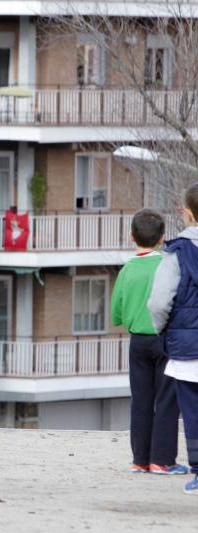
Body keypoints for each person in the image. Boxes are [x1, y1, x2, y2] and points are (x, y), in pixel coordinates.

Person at [111, 209, 183, 475]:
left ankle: (140, 459)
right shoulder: (169, 265)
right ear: (163, 237)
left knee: (141, 400)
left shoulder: (126, 270)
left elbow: (116, 313)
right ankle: (161, 459)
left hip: (137, 341)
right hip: (164, 337)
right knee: (166, 399)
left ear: (132, 236)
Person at [148, 183, 198, 495]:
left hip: (188, 349)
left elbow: (158, 302)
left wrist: (163, 329)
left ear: (188, 214)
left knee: (192, 411)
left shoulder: (177, 252)